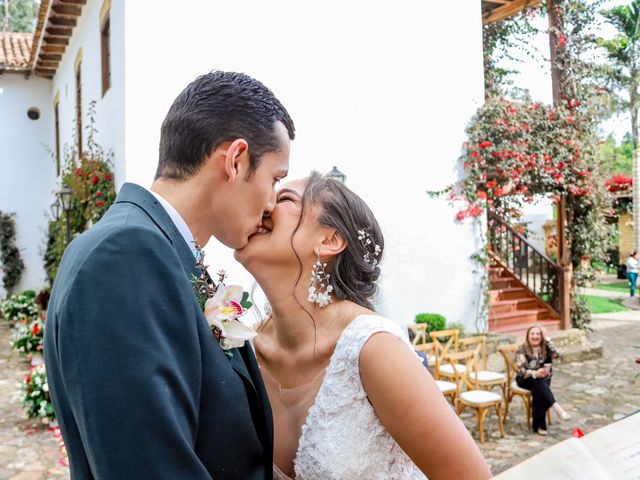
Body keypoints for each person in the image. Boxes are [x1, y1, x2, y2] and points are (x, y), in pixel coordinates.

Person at [44, 71, 295, 479]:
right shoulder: (124, 257)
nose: (271, 204)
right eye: (275, 179)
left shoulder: (163, 252)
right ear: (235, 160)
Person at [234, 172, 491, 479]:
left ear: (330, 240)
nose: (265, 204)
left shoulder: (372, 348)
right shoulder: (243, 346)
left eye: (285, 198)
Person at [515, 324, 571, 436]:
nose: (535, 336)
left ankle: (538, 426)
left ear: (542, 336)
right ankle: (556, 407)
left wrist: (548, 339)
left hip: (543, 379)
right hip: (525, 379)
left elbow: (556, 355)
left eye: (538, 334)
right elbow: (521, 370)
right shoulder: (522, 349)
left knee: (538, 387)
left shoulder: (546, 347)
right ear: (528, 336)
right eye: (532, 334)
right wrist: (535, 373)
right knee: (538, 382)